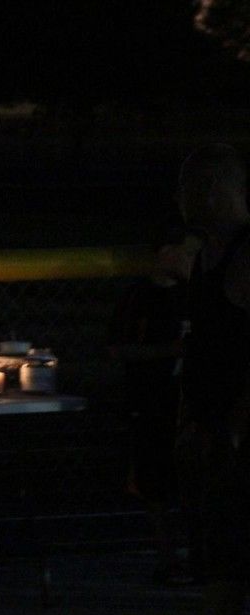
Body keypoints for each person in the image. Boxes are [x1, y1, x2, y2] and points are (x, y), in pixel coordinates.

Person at [126, 143, 250, 615]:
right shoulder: (206, 260)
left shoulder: (244, 256)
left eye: (188, 187)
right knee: (226, 549)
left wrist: (237, 424)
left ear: (214, 190)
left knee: (232, 545)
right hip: (215, 425)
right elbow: (204, 346)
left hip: (237, 429)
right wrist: (191, 418)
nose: (180, 199)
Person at [108, 231, 202, 587]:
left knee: (196, 478)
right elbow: (118, 348)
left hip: (192, 402)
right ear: (165, 253)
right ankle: (168, 558)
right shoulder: (140, 296)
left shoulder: (197, 292)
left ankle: (200, 555)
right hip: (151, 401)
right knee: (155, 482)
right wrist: (172, 350)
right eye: (186, 252)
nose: (192, 260)